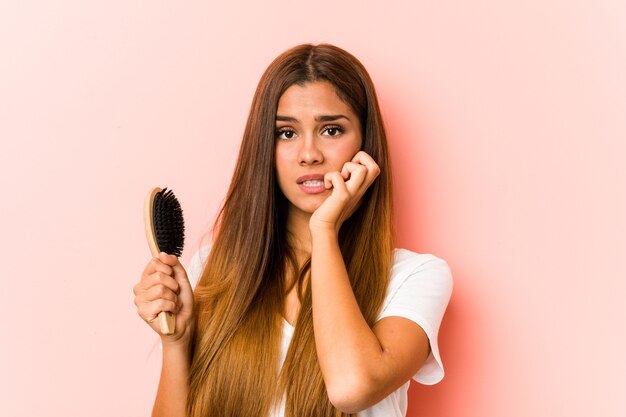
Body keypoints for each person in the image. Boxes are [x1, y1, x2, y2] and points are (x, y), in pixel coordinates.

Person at [133, 43, 453, 417]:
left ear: (366, 143)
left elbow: (351, 388)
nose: (309, 154)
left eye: (331, 130)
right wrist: (177, 342)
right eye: (286, 133)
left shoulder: (413, 278)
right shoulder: (214, 270)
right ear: (264, 148)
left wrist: (325, 228)